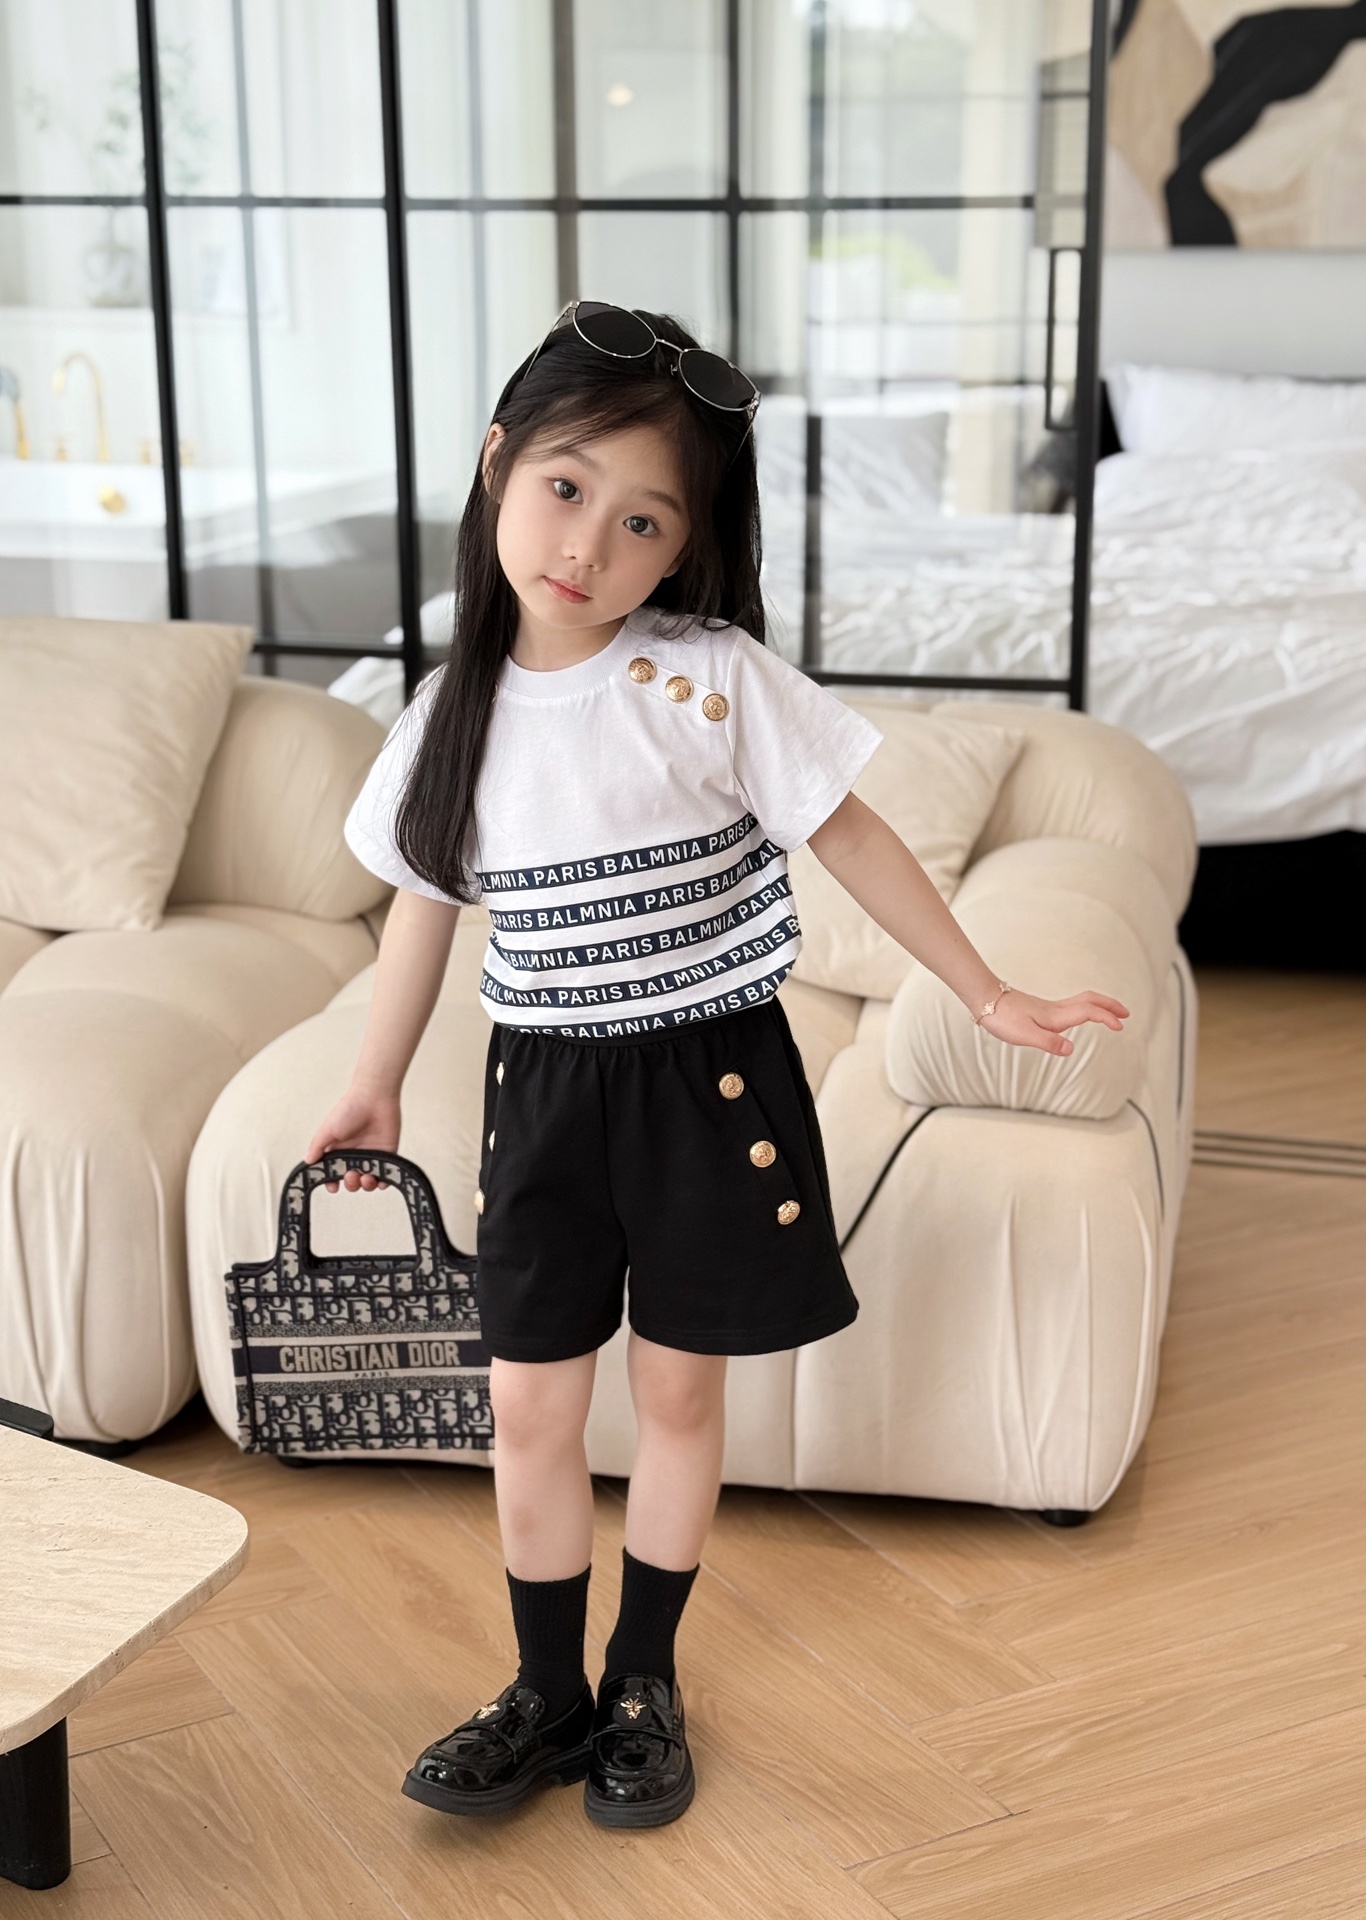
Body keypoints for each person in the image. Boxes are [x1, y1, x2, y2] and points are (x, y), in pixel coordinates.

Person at [306, 300, 1128, 1832]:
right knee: (530, 1408)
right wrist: (374, 1080)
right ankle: (544, 1692)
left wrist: (985, 988)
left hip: (710, 1085)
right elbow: (421, 910)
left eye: (642, 521)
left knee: (678, 1400)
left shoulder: (710, 678)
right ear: (495, 464)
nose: (588, 545)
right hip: (544, 1097)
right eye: (564, 488)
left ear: (684, 546)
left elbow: (852, 837)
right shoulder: (444, 722)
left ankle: (643, 1682)